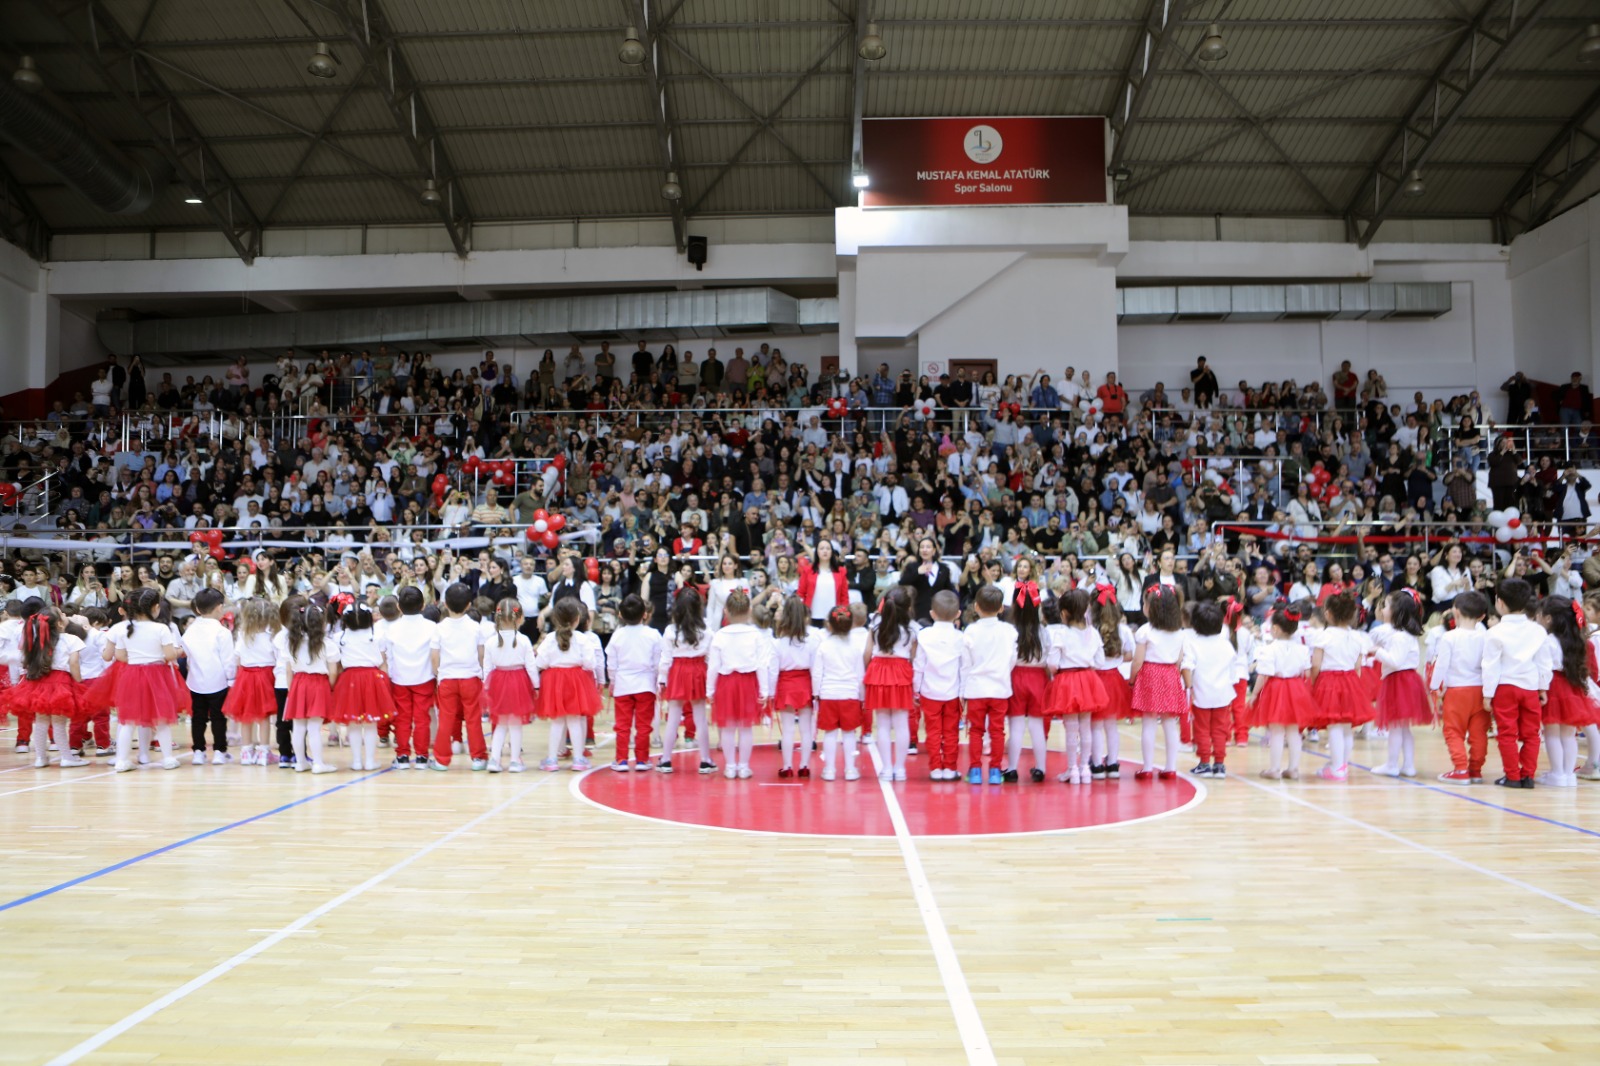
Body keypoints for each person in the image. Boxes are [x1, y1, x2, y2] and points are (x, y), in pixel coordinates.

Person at [108, 587, 186, 773]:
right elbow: (169, 655)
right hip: (157, 674)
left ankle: (121, 760)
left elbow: (119, 655)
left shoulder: (123, 628)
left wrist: (136, 661)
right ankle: (168, 758)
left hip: (131, 674)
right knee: (161, 719)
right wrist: (178, 651)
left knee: (127, 721)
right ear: (156, 607)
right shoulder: (161, 628)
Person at [1482, 578, 1549, 789]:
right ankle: (1528, 776)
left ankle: (1512, 776)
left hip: (1504, 687)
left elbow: (1490, 666)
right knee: (1532, 733)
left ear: (1499, 603)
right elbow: (1543, 662)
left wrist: (1487, 694)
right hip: (1530, 686)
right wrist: (1543, 687)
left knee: (1507, 733)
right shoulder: (1538, 630)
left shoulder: (1494, 632)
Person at [3, 605, 85, 769]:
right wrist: (79, 681)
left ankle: (41, 758)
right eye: (62, 614)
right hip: (60, 682)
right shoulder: (71, 639)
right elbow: (74, 663)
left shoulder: (34, 641)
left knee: (40, 721)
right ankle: (66, 757)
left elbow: (24, 662)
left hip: (37, 681)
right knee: (59, 722)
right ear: (61, 624)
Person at [1307, 592, 1373, 782]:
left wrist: (1313, 682)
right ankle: (1341, 764)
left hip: (1329, 681)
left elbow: (1316, 665)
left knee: (1334, 725)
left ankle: (1337, 768)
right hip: (1351, 680)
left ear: (1327, 614)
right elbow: (1358, 666)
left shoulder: (1324, 636)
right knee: (1346, 727)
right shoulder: (1358, 637)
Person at [706, 589, 771, 780]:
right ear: (750, 610)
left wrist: (709, 690)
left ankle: (730, 766)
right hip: (748, 683)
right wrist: (764, 690)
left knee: (727, 727)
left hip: (726, 683)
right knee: (745, 727)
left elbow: (713, 666)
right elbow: (762, 664)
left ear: (726, 611)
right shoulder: (755, 635)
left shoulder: (720, 634)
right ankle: (743, 767)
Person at [1246, 608, 1316, 780]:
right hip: (1296, 688)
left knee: (1276, 730)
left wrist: (1254, 694)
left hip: (1276, 689)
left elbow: (1263, 675)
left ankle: (1275, 769)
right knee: (1294, 731)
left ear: (1275, 629)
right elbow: (1306, 673)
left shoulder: (1269, 649)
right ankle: (1293, 769)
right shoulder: (1302, 649)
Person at [534, 598, 602, 772]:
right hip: (576, 681)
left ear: (555, 619)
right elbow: (590, 663)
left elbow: (540, 662)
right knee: (575, 720)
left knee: (557, 722)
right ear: (577, 619)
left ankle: (551, 760)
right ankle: (578, 759)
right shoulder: (582, 639)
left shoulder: (549, 639)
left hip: (554, 681)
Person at [1369, 589, 1431, 778]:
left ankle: (1392, 764)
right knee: (1403, 728)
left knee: (1396, 726)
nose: (1383, 609)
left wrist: (1377, 651)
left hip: (1399, 682)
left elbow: (1394, 661)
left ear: (1397, 612)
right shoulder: (1404, 634)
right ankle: (1408, 765)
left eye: (1386, 606)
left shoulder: (1399, 636)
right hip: (1406, 681)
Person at [1044, 590, 1104, 785]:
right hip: (1088, 679)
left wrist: (1057, 671)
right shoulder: (1093, 632)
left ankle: (1073, 770)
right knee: (1085, 727)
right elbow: (1100, 661)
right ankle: (1085, 768)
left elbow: (1052, 662)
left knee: (1070, 728)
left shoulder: (1061, 634)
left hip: (1067, 680)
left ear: (1064, 613)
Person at [1430, 591, 1489, 784]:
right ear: (1482, 616)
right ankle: (1476, 770)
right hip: (1480, 690)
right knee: (1479, 732)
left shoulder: (1449, 637)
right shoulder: (1485, 636)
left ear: (1455, 611)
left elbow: (1441, 665)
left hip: (1456, 690)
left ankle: (1460, 768)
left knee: (1453, 731)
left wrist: (1434, 687)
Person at [1536, 596, 1595, 788]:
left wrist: (1541, 689)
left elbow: (1544, 668)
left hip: (1553, 687)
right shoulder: (1578, 640)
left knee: (1552, 734)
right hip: (1572, 687)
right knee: (1569, 735)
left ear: (1548, 619)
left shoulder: (1548, 640)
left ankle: (1557, 773)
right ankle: (1568, 775)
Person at [961, 584, 1017, 785]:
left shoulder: (971, 630)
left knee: (976, 730)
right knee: (998, 730)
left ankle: (975, 770)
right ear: (1001, 608)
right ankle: (995, 771)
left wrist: (962, 691)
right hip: (1000, 688)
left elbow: (965, 664)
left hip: (976, 688)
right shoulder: (1009, 631)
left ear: (976, 607)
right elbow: (1012, 659)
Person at [1129, 585, 1186, 781]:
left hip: (1150, 673)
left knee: (1149, 723)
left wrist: (1132, 679)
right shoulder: (1179, 632)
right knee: (1170, 723)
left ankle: (1146, 768)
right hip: (1170, 673)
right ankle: (1170, 768)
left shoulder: (1145, 631)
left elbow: (1137, 661)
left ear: (1151, 608)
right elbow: (1180, 659)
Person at [656, 588, 714, 774]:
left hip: (678, 670)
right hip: (698, 670)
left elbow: (665, 659)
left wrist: (662, 679)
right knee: (700, 717)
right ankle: (705, 760)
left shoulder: (670, 631)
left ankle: (666, 759)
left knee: (673, 717)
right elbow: (710, 657)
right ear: (699, 607)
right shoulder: (706, 629)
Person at [332, 602, 394, 773]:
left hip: (348, 679)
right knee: (370, 723)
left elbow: (337, 664)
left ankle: (357, 761)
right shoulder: (376, 635)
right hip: (372, 679)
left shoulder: (340, 637)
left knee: (353, 723)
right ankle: (369, 761)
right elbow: (383, 662)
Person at [864, 586, 917, 782]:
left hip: (879, 671)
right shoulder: (912, 629)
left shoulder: (875, 625)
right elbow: (913, 656)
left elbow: (867, 653)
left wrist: (867, 671)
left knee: (883, 724)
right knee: (902, 723)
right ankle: (900, 769)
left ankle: (886, 769)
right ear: (908, 606)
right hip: (901, 671)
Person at [431, 583, 486, 772]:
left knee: (446, 719)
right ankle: (478, 758)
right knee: (473, 718)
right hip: (471, 677)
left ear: (445, 604)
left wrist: (438, 673)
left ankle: (441, 760)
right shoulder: (475, 627)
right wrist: (480, 671)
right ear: (469, 605)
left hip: (447, 678)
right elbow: (481, 654)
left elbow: (434, 655)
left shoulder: (439, 628)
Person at [382, 586, 437, 770]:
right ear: (423, 606)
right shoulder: (432, 627)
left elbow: (388, 656)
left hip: (399, 679)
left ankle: (403, 756)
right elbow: (435, 654)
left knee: (402, 719)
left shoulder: (392, 629)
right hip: (425, 677)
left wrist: (390, 675)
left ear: (399, 606)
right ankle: (422, 757)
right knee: (422, 718)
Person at [605, 594, 661, 773]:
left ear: (620, 614)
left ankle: (621, 760)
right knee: (644, 725)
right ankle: (642, 760)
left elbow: (611, 664)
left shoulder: (617, 635)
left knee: (622, 725)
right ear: (645, 614)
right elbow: (658, 662)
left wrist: (612, 681)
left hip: (623, 684)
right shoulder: (653, 634)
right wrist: (657, 682)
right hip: (645, 684)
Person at [281, 601, 339, 775]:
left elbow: (288, 670)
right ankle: (318, 763)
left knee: (298, 727)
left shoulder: (291, 643)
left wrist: (292, 691)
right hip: (319, 684)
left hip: (298, 683)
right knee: (314, 727)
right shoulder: (327, 644)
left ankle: (300, 762)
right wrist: (328, 687)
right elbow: (333, 672)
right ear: (322, 622)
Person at [1182, 600, 1237, 779]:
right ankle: (1219, 764)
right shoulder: (1226, 644)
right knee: (1221, 729)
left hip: (1201, 694)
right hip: (1223, 694)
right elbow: (1233, 672)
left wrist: (1188, 687)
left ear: (1195, 623)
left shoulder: (1193, 643)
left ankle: (1205, 763)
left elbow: (1187, 668)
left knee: (1202, 729)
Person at [912, 589, 963, 781]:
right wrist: (963, 693)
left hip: (929, 692)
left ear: (932, 614)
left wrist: (915, 690)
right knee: (951, 732)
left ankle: (935, 768)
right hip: (953, 692)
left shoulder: (924, 635)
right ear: (957, 614)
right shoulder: (960, 638)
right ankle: (950, 768)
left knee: (933, 731)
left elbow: (918, 665)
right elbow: (963, 668)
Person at [182, 588, 236, 766]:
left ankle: (199, 751)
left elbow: (187, 653)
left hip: (195, 681)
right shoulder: (222, 632)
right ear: (219, 608)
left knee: (198, 717)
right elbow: (228, 660)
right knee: (218, 718)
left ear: (197, 609)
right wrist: (231, 679)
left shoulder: (190, 630)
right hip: (218, 681)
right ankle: (219, 751)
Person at [811, 604, 865, 781]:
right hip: (849, 694)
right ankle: (850, 769)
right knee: (849, 733)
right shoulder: (856, 646)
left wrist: (815, 693)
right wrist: (862, 696)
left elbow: (817, 673)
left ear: (829, 625)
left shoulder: (824, 646)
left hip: (828, 694)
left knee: (830, 733)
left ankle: (829, 769)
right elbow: (860, 674)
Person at [483, 599, 538, 774]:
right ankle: (514, 761)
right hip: (518, 682)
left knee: (500, 723)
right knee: (515, 724)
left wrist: (486, 688)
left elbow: (486, 667)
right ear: (520, 618)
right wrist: (536, 686)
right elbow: (531, 666)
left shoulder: (491, 641)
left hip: (497, 682)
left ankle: (494, 760)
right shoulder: (524, 640)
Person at [224, 597, 280, 766]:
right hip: (266, 677)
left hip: (246, 677)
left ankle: (246, 752)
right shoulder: (272, 637)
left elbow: (236, 658)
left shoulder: (242, 636)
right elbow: (277, 659)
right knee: (263, 717)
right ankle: (263, 752)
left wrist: (232, 675)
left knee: (245, 716)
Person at [1002, 581, 1049, 784]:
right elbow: (1048, 657)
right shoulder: (1044, 631)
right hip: (1039, 678)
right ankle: (1041, 768)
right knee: (1037, 726)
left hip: (1016, 677)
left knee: (1016, 726)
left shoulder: (1010, 630)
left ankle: (1012, 768)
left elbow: (1008, 657)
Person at [770, 595, 819, 778]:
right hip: (805, 683)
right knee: (806, 729)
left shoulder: (778, 643)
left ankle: (787, 766)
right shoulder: (812, 641)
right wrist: (816, 692)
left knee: (788, 728)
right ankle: (805, 765)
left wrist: (770, 692)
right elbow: (815, 668)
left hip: (785, 684)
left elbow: (774, 671)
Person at [1090, 587, 1132, 780]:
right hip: (1115, 680)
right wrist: (1115, 659)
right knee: (1111, 726)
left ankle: (1097, 764)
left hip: (1095, 679)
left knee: (1095, 726)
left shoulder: (1090, 630)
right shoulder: (1123, 630)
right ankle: (1113, 763)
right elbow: (1129, 655)